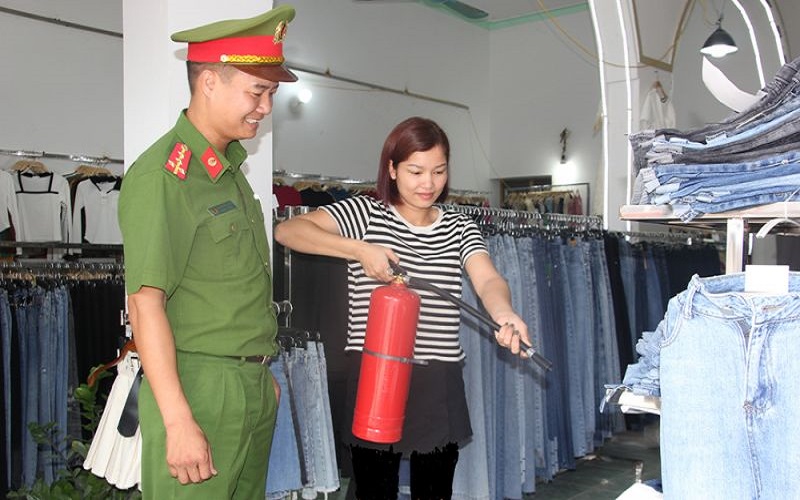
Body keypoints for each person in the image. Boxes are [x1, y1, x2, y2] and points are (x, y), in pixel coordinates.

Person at [274, 116, 532, 499]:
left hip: (437, 379)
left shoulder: (459, 226)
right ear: (392, 169)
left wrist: (504, 313)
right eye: (415, 171)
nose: (428, 183)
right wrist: (359, 249)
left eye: (438, 171)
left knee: (434, 489)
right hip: (376, 373)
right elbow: (288, 231)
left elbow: (488, 279)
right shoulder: (364, 213)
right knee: (374, 489)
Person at [118, 6, 298, 499]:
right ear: (209, 83)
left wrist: (261, 373)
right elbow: (145, 302)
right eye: (256, 92)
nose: (264, 107)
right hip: (198, 387)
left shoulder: (231, 170)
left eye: (271, 95)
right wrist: (177, 421)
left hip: (251, 384)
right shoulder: (164, 177)